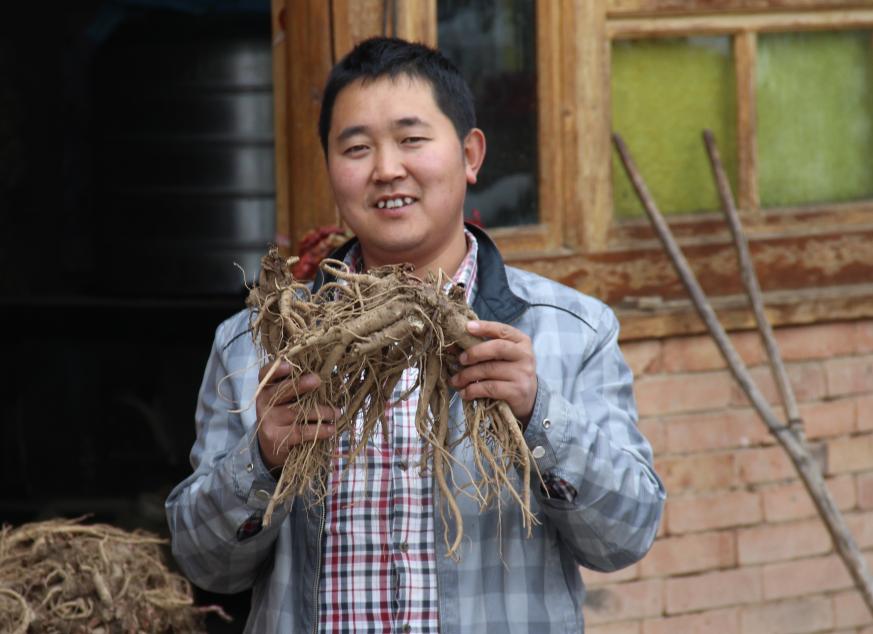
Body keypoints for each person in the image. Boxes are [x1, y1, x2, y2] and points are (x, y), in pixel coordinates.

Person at [166, 37, 665, 634]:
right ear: (329, 168)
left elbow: (627, 536)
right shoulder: (254, 344)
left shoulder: (569, 331)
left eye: (412, 139)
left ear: (470, 154)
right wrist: (262, 462)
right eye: (356, 147)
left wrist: (539, 415)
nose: (386, 169)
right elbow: (204, 564)